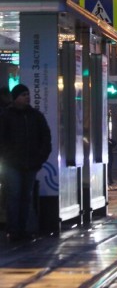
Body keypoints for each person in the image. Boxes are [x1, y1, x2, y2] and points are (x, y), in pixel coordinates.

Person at [0, 84, 52, 242]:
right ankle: (14, 229)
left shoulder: (36, 116)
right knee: (15, 195)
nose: (27, 97)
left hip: (30, 164)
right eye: (23, 95)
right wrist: (7, 157)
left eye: (27, 94)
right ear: (15, 98)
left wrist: (39, 159)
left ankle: (22, 229)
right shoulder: (6, 116)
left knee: (25, 196)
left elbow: (45, 139)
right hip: (12, 164)